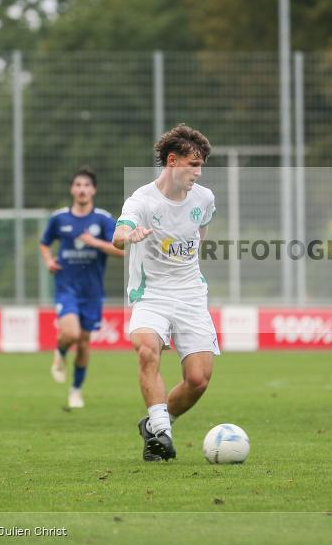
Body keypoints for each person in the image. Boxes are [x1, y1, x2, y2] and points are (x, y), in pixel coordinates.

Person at [113, 124, 217, 462]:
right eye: (193, 165)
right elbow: (119, 234)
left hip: (190, 294)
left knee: (199, 379)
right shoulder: (142, 200)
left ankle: (155, 425)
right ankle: (162, 433)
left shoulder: (204, 199)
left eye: (201, 166)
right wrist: (129, 236)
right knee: (147, 350)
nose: (198, 173)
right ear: (172, 162)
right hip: (151, 293)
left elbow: (199, 233)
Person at [40, 166, 123, 409]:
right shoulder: (59, 218)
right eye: (78, 185)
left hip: (92, 290)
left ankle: (75, 391)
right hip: (66, 285)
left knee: (85, 343)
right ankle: (60, 350)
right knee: (72, 334)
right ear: (72, 189)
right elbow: (44, 243)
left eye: (87, 185)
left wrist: (94, 242)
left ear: (93, 190)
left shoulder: (104, 219)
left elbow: (120, 251)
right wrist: (48, 260)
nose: (82, 189)